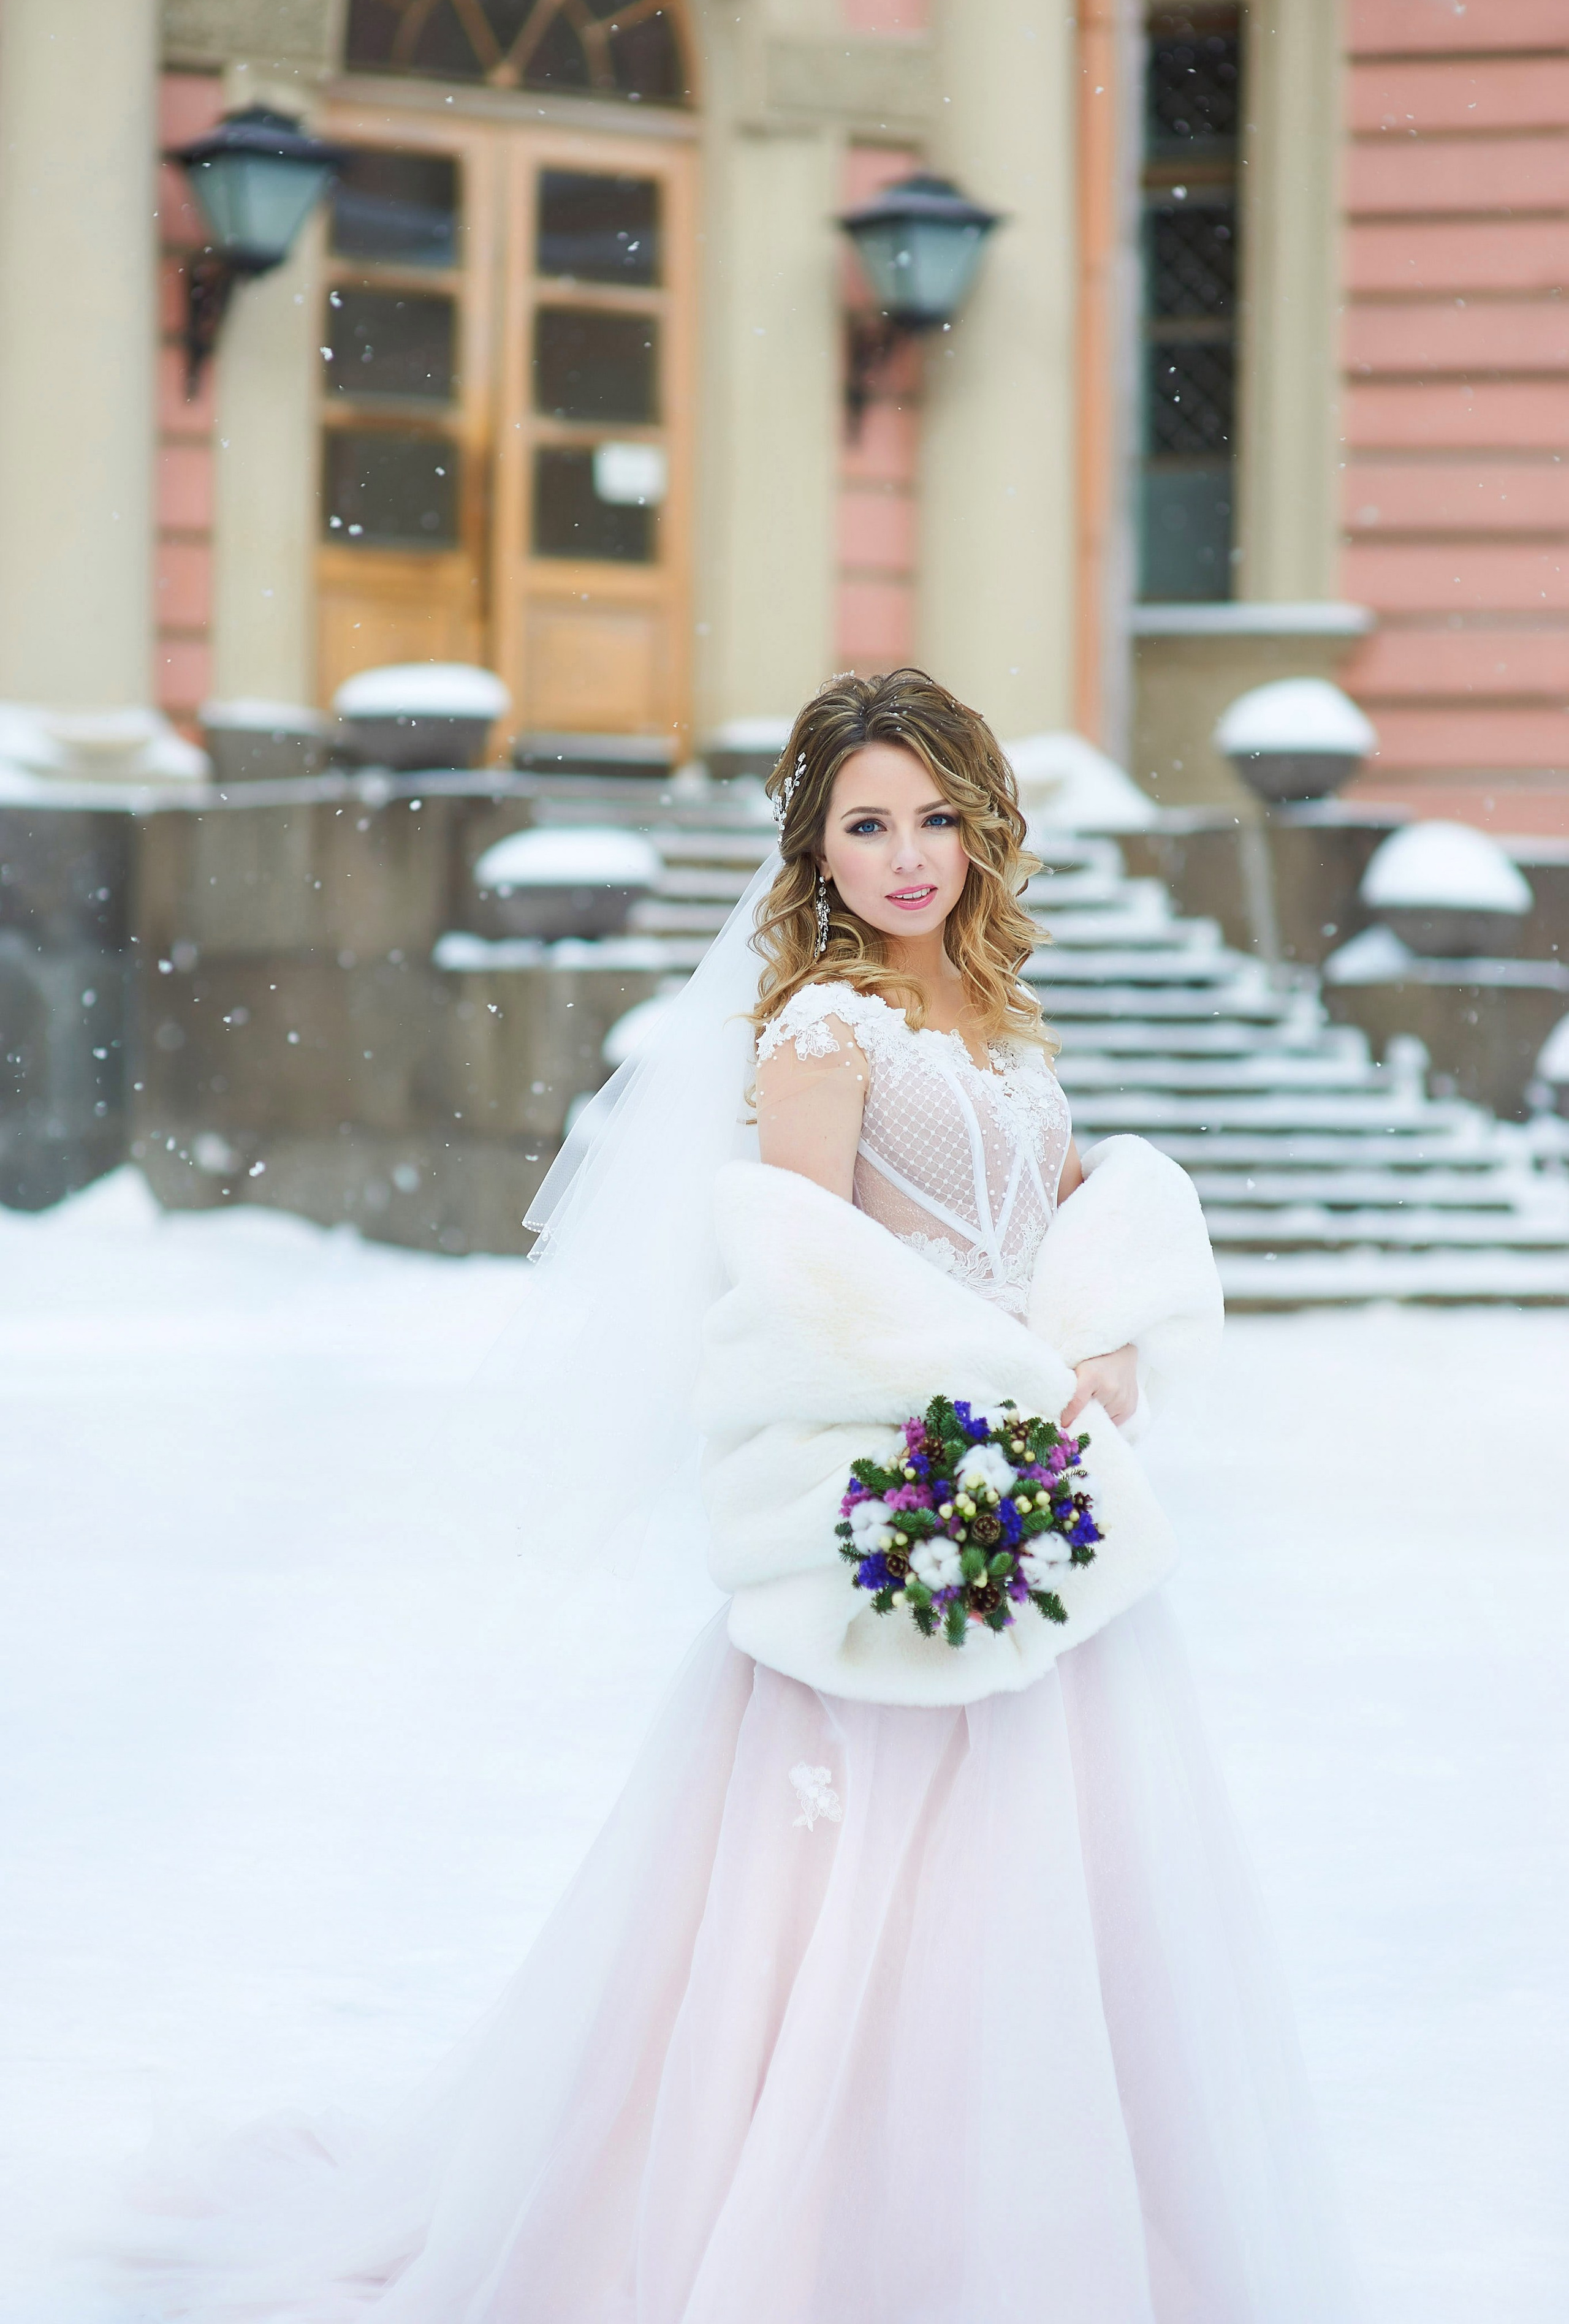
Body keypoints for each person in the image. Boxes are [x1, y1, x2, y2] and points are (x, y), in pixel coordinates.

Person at [126, 671, 1358, 2322]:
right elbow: (811, 1285)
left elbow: (1057, 1229)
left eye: (934, 817)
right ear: (817, 847)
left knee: (1051, 1902)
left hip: (1042, 1508)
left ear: (983, 828)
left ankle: (1038, 2233)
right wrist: (950, 1429)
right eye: (868, 823)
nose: (908, 857)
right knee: (850, 1909)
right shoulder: (820, 1033)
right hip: (897, 1504)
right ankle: (816, 2236)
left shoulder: (1003, 1021)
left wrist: (1109, 1346)